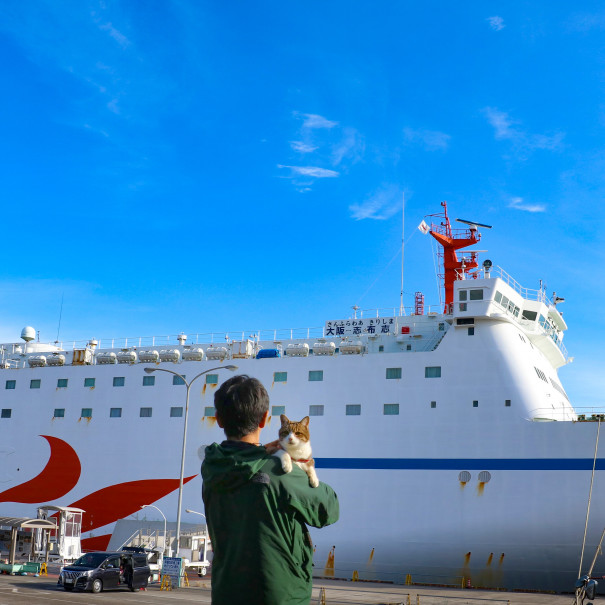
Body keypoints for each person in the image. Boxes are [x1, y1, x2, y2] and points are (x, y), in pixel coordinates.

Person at [201, 374, 339, 605]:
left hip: (226, 592)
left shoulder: (213, 468)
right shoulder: (279, 472)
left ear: (219, 420)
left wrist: (260, 452)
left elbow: (243, 466)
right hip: (278, 596)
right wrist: (301, 465)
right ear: (265, 419)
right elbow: (329, 509)